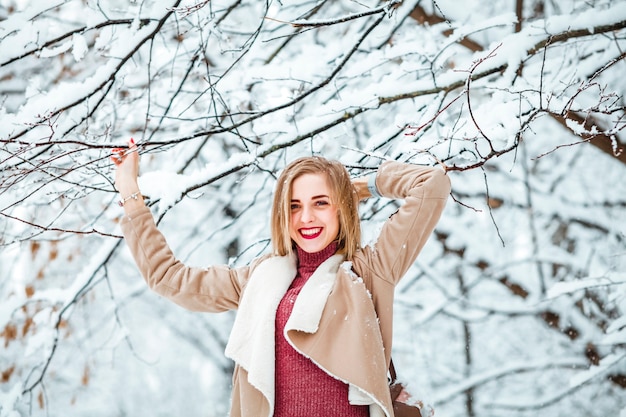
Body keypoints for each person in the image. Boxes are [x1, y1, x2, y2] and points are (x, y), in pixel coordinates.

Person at [111, 138, 451, 417]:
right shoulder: (259, 281)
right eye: (293, 205)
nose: (305, 217)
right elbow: (169, 278)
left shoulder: (370, 270)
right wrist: (130, 191)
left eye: (321, 202)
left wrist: (364, 187)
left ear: (341, 207)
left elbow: (431, 185)